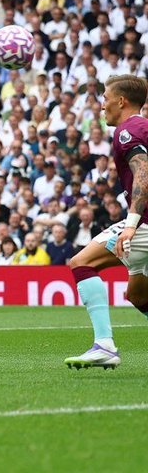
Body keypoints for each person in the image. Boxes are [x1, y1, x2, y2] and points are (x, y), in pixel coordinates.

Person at [65, 75, 148, 370]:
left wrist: (131, 223)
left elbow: (143, 174)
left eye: (105, 98)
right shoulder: (143, 127)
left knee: (80, 263)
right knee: (137, 294)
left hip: (143, 225)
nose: (102, 106)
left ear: (121, 101)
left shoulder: (128, 130)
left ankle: (104, 345)